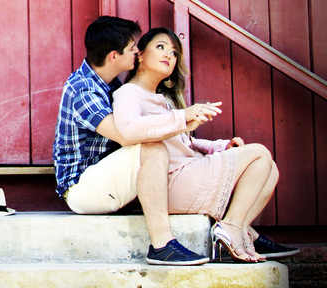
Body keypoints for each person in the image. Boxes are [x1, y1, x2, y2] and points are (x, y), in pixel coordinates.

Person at [112, 27, 299, 262]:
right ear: (140, 55)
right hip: (170, 183)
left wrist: (221, 146)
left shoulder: (163, 99)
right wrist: (183, 116)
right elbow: (129, 128)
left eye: (174, 52)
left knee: (270, 169)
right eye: (160, 47)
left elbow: (185, 142)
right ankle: (230, 227)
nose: (169, 54)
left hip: (188, 174)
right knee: (260, 154)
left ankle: (241, 231)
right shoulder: (129, 93)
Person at [54, 15, 214, 266]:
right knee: (152, 148)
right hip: (81, 187)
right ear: (114, 56)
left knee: (156, 146)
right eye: (131, 48)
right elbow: (127, 136)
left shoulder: (109, 84)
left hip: (108, 179)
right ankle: (162, 246)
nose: (137, 52)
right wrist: (182, 119)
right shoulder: (83, 89)